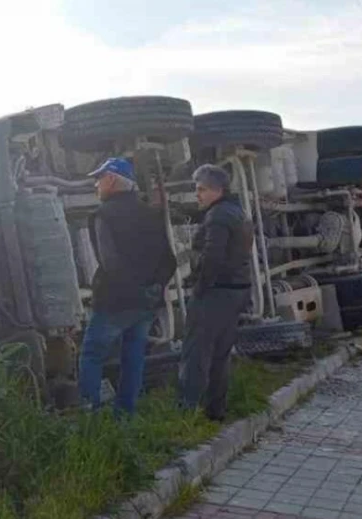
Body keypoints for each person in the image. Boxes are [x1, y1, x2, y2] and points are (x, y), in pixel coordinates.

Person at [78, 158, 176, 416]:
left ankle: (90, 417)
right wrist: (152, 288)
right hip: (146, 303)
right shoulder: (150, 213)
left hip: (116, 301)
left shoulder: (103, 215)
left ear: (111, 179)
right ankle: (125, 414)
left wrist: (130, 290)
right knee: (133, 357)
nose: (96, 185)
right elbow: (169, 260)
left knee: (91, 354)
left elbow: (110, 262)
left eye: (99, 179)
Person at [178, 164, 255, 422]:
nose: (197, 195)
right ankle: (215, 411)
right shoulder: (237, 211)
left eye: (202, 189)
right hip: (236, 290)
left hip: (216, 292)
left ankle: (187, 412)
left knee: (196, 353)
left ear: (218, 190)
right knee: (220, 355)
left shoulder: (218, 216)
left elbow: (212, 257)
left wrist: (199, 289)